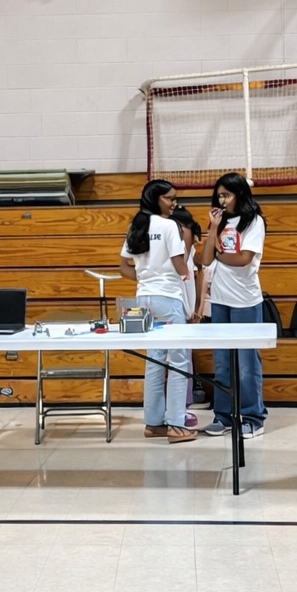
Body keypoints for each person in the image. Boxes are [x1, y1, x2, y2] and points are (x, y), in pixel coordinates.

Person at [120, 180, 197, 444]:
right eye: (169, 198)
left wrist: (146, 279)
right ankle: (176, 425)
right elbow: (180, 266)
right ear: (156, 199)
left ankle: (153, 423)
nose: (174, 203)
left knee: (154, 360)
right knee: (179, 361)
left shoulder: (137, 225)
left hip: (143, 298)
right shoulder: (169, 226)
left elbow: (124, 267)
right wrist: (186, 269)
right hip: (169, 298)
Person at [199, 172, 267, 439]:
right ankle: (223, 416)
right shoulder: (220, 222)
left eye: (227, 194)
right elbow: (205, 260)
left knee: (247, 363)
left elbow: (243, 259)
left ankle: (253, 417)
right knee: (223, 363)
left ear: (240, 194)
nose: (222, 199)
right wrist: (213, 228)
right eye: (219, 195)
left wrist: (218, 253)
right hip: (220, 300)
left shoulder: (254, 222)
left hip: (245, 301)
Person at [170, 203, 206, 428]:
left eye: (183, 229)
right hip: (176, 306)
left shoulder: (189, 251)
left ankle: (182, 406)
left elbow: (197, 278)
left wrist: (197, 308)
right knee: (175, 360)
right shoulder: (173, 251)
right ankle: (177, 410)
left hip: (186, 306)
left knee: (183, 359)